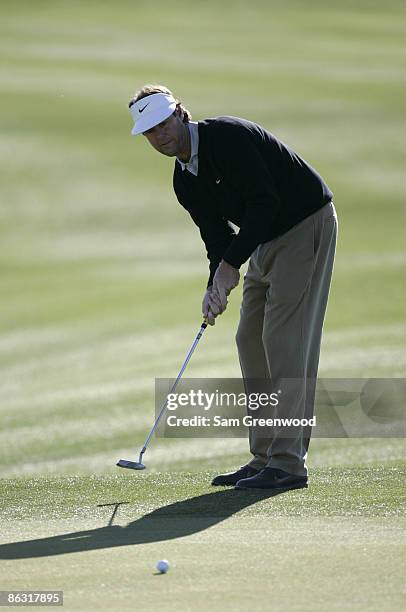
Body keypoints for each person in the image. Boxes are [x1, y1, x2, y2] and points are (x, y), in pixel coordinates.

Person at [128, 84, 338, 491]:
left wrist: (229, 267)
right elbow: (216, 237)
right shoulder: (184, 180)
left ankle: (289, 463)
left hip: (304, 222)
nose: (160, 135)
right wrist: (215, 285)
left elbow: (265, 202)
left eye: (164, 123)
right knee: (249, 340)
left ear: (181, 114)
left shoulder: (228, 137)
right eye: (150, 131)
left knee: (284, 341)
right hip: (263, 240)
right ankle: (263, 458)